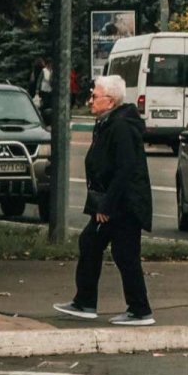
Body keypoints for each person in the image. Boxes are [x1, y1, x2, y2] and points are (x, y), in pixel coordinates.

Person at [54, 75, 154, 326]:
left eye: (94, 96)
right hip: (118, 203)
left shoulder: (120, 127)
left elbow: (126, 169)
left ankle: (138, 309)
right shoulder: (110, 123)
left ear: (110, 101)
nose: (90, 100)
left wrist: (106, 206)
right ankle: (88, 302)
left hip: (124, 205)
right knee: (94, 244)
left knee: (122, 253)